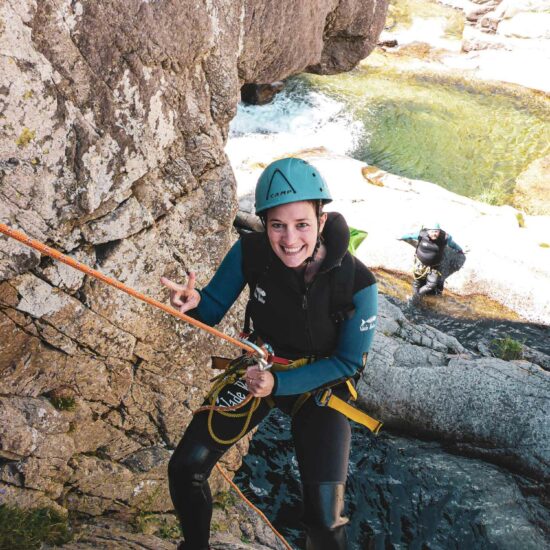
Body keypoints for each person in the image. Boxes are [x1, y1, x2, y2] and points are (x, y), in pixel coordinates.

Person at [162, 158, 378, 550]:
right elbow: (211, 307)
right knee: (186, 468)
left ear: (322, 221)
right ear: (264, 223)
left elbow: (347, 362)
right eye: (277, 225)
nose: (289, 239)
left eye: (301, 225)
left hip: (321, 387)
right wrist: (193, 303)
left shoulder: (358, 283)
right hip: (260, 366)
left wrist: (281, 383)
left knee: (326, 520)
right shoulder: (251, 251)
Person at [399, 223, 464, 296]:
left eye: (436, 231)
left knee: (432, 284)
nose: (434, 234)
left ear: (439, 231)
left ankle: (417, 295)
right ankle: (415, 297)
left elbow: (452, 244)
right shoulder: (422, 234)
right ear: (428, 231)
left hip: (434, 266)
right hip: (420, 264)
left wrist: (459, 250)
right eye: (432, 231)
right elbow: (410, 235)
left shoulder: (445, 237)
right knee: (417, 281)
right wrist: (402, 237)